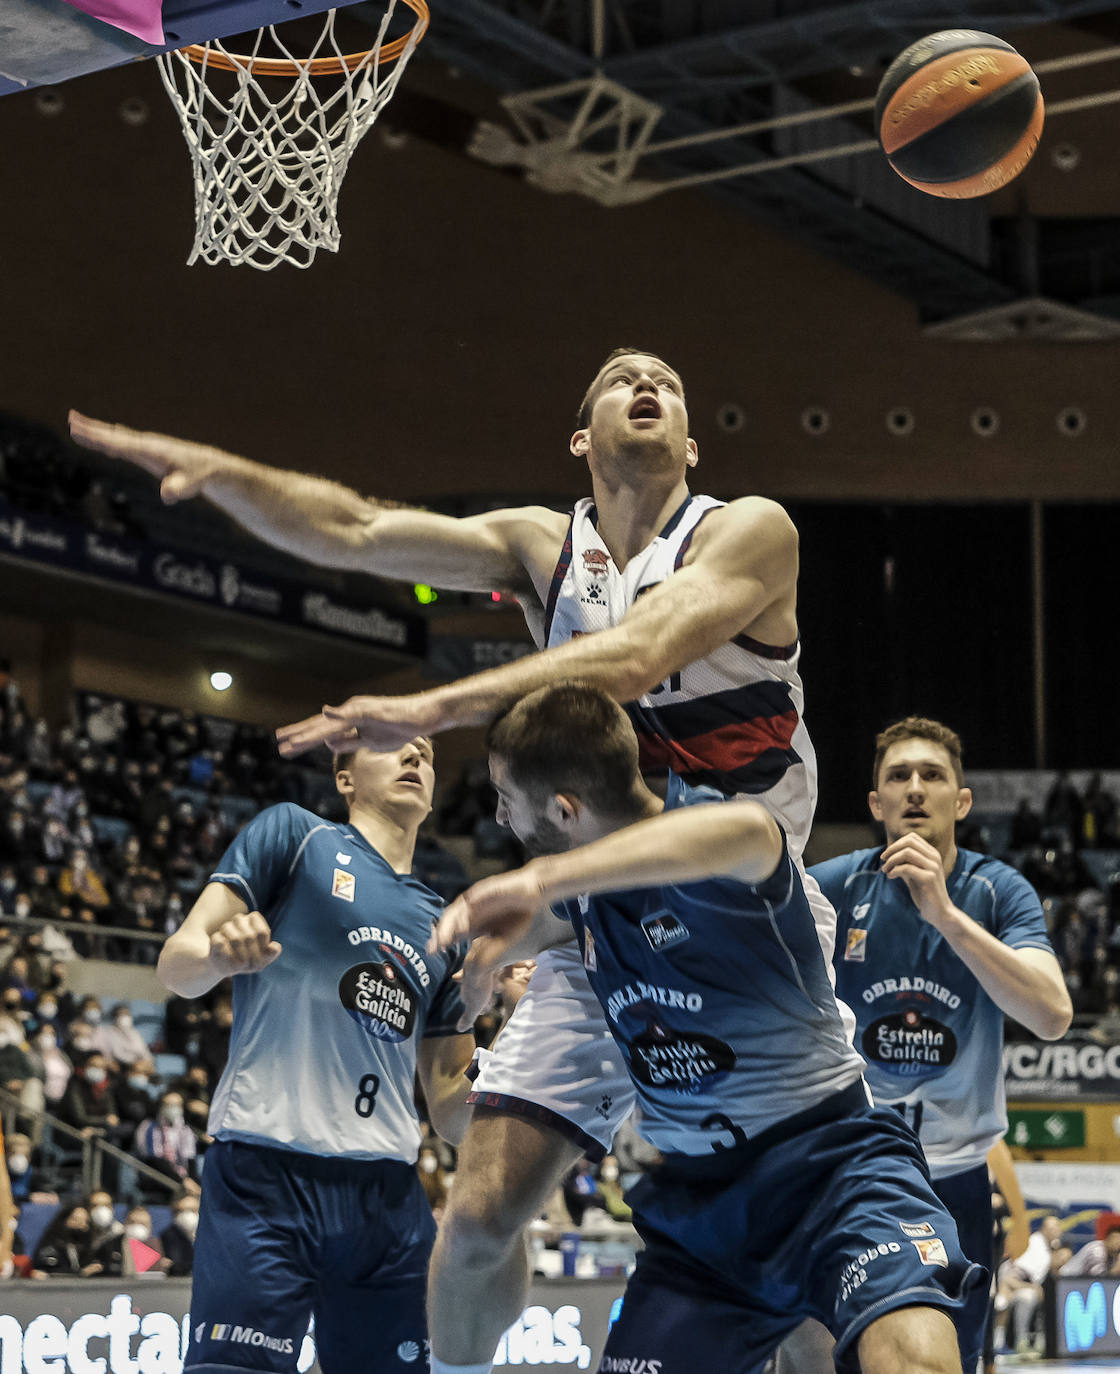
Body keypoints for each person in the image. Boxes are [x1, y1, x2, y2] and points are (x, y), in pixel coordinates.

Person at [72, 347, 826, 1374]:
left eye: (668, 383)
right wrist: (231, 477)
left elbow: (643, 652)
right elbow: (359, 529)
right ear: (580, 436)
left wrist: (434, 705)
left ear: (691, 442)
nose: (645, 383)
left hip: (746, 923)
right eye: (618, 377)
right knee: (473, 1225)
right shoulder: (539, 546)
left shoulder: (749, 528)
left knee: (793, 1243)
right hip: (594, 925)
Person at [431, 682, 982, 1374]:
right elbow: (514, 931)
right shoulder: (579, 902)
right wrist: (485, 960)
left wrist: (545, 879)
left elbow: (746, 833)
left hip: (834, 1175)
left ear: (565, 811)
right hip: (702, 1217)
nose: (500, 816)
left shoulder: (730, 840)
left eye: (505, 796)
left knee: (910, 1359)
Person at [156, 737, 476, 1374]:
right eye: (392, 745)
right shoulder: (295, 836)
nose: (415, 756)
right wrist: (218, 956)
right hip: (265, 1176)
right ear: (345, 777)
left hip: (387, 1198)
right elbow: (175, 967)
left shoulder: (444, 924)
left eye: (426, 751)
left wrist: (515, 1033)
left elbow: (451, 1113)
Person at [777, 716, 1072, 1374]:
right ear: (875, 804)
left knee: (952, 1365)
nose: (915, 788)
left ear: (961, 802)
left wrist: (942, 911)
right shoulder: (830, 886)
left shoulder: (997, 892)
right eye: (898, 777)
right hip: (850, 1172)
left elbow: (1052, 1014)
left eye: (932, 775)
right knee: (826, 1358)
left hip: (956, 1182)